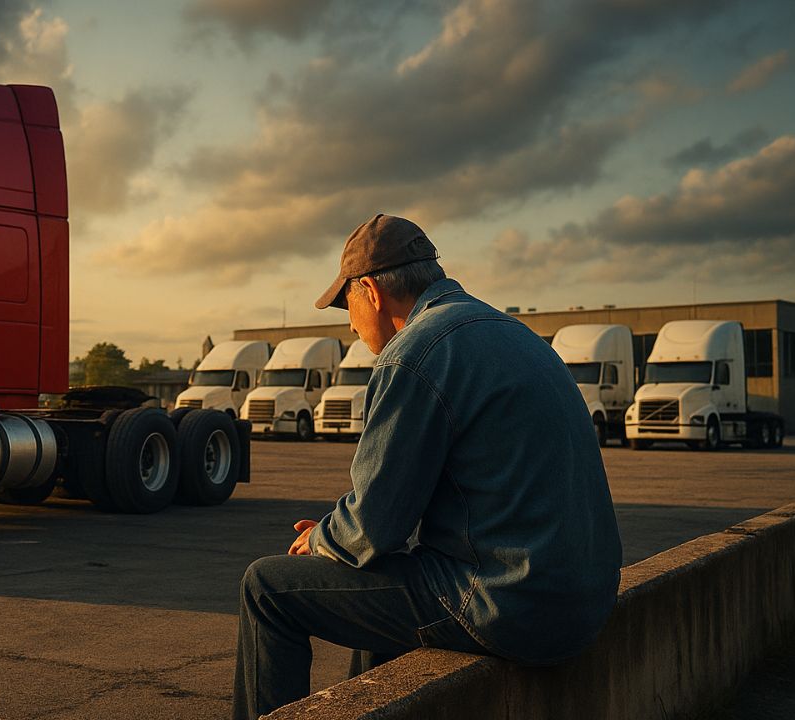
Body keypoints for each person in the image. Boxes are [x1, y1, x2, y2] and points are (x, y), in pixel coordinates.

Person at [232, 214, 622, 720]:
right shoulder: (510, 331)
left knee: (266, 587)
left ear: (370, 291)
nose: (348, 324)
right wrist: (344, 536)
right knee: (385, 576)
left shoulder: (412, 355)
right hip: (584, 604)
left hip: (510, 605)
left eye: (344, 305)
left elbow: (376, 525)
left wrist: (325, 537)